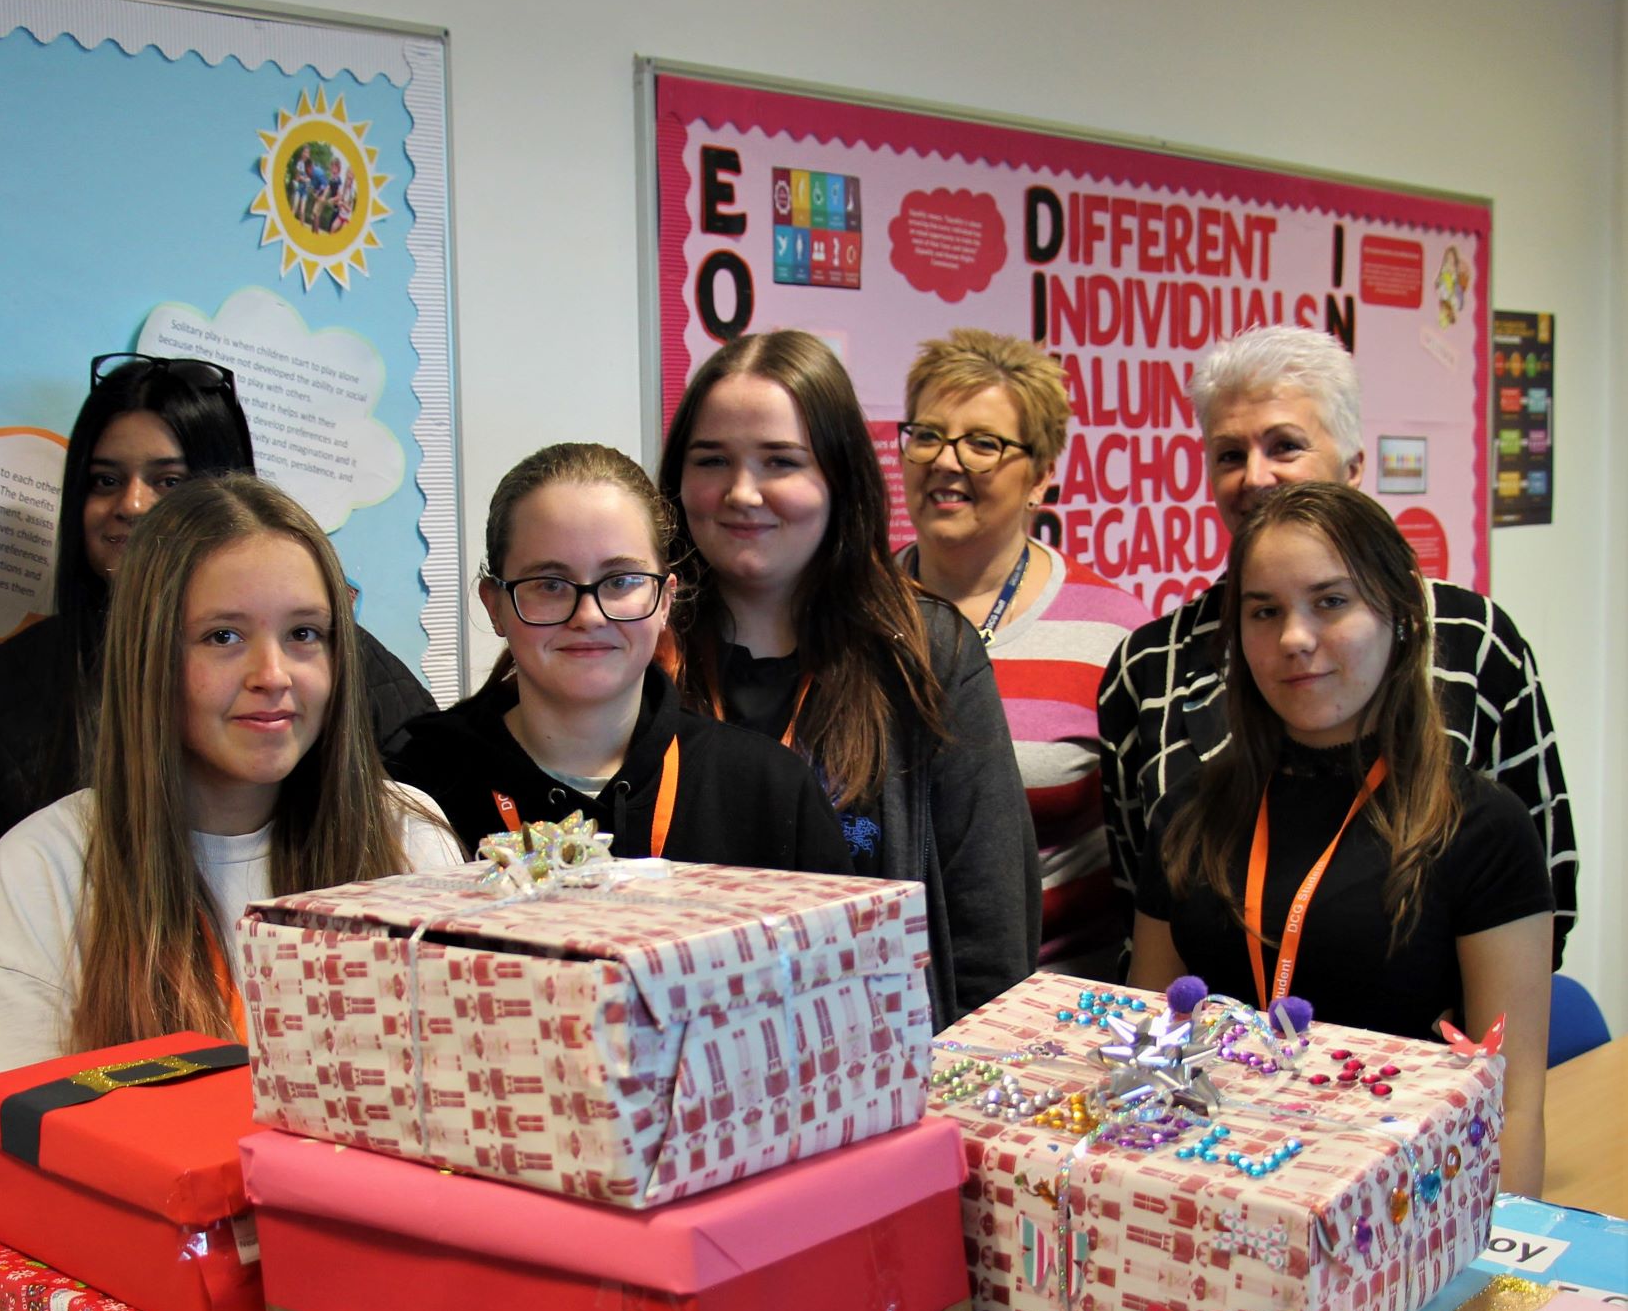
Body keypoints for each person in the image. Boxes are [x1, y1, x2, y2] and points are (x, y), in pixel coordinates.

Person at [1098, 324, 1575, 966]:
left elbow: (1541, 891)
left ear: (1353, 467)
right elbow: (1139, 900)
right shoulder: (1147, 667)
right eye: (1230, 454)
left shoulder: (1472, 639)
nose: (1255, 476)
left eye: (1285, 445)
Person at [0, 474, 461, 1076]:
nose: (272, 674)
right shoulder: (45, 869)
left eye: (304, 633)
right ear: (150, 658)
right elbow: (31, 1145)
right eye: (223, 636)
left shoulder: (407, 837)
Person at [1129, 483, 1551, 1194]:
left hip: (1400, 1224)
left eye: (1330, 602)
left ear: (1400, 617)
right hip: (1213, 1210)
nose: (1293, 638)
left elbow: (1512, 1105)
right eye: (1263, 611)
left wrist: (1491, 1278)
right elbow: (1150, 1055)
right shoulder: (1188, 818)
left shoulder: (1479, 826)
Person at [0, 353, 434, 953]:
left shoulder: (354, 680)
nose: (135, 506)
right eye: (105, 480)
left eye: (170, 482)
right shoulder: (15, 689)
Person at [657, 329, 1039, 1027]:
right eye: (711, 459)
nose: (742, 492)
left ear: (839, 476)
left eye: (780, 461)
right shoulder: (637, 648)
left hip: (881, 1084)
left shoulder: (926, 653)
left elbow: (990, 938)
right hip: (677, 1082)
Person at [388, 443, 849, 870]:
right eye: (549, 583)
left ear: (666, 601)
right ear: (495, 605)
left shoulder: (767, 789)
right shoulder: (413, 785)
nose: (588, 615)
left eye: (621, 580)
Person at [896, 329, 1149, 976]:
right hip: (879, 1000)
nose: (945, 460)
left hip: (1053, 1009)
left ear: (1039, 473)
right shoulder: (846, 619)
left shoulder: (1112, 634)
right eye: (926, 435)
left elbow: (1153, 863)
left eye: (982, 443)